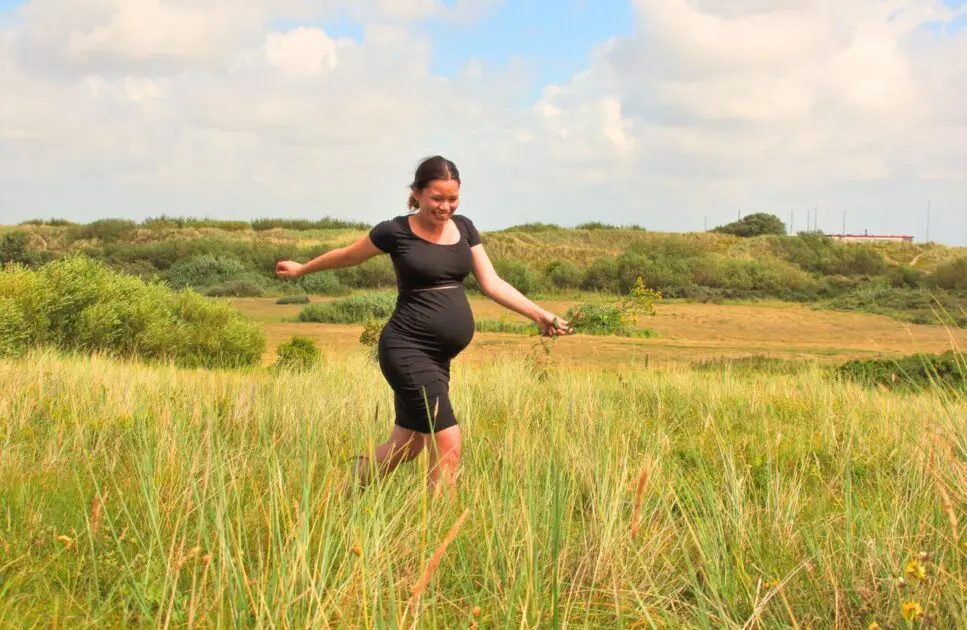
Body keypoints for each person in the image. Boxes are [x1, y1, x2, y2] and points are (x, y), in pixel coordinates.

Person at [275, 155, 572, 493]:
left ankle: (340, 492)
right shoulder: (395, 231)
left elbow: (492, 283)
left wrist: (540, 314)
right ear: (416, 193)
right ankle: (438, 521)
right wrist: (302, 269)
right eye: (437, 198)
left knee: (407, 446)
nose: (446, 206)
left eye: (453, 198)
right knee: (448, 440)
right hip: (406, 348)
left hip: (438, 358)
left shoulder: (464, 228)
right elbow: (348, 255)